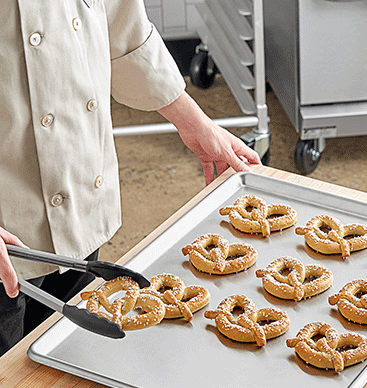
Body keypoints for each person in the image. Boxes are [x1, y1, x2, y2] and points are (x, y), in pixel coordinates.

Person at [0, 0, 261, 355]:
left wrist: (194, 123)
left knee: (65, 367)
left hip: (77, 191)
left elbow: (120, 20)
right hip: (5, 220)